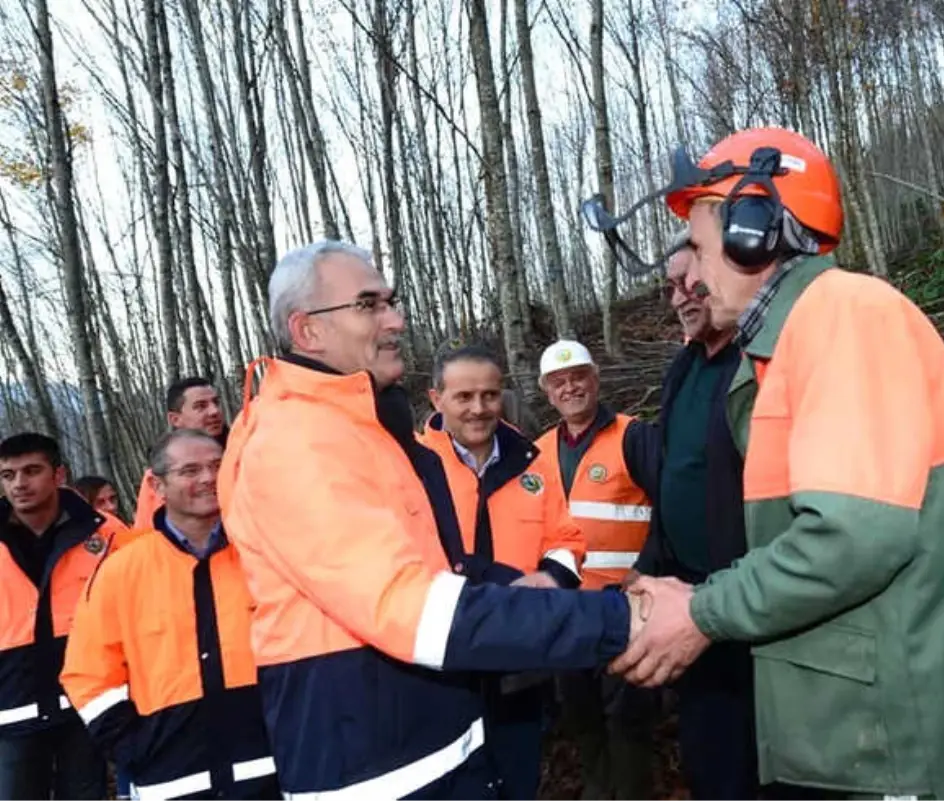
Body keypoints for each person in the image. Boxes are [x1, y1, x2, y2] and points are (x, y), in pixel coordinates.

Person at [602, 127, 944, 799]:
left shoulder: (846, 316)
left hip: (908, 742)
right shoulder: (786, 344)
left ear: (754, 230)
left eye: (699, 250)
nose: (693, 277)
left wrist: (703, 609)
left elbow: (851, 537)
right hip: (870, 733)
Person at [217, 239, 646, 800]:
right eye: (369, 305)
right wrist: (620, 620)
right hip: (377, 768)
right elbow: (410, 607)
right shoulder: (296, 442)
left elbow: (447, 566)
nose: (395, 319)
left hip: (436, 735)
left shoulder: (366, 430)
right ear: (308, 332)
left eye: (391, 301)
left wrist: (551, 589)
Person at [62, 429, 279, 800]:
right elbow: (88, 674)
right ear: (158, 486)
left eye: (217, 466)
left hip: (272, 770)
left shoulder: (266, 553)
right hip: (171, 779)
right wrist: (131, 747)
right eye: (190, 470)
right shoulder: (121, 571)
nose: (209, 478)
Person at [420, 344, 585, 801]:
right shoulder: (412, 465)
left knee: (518, 778)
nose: (479, 409)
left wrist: (550, 579)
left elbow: (567, 541)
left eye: (490, 395)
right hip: (442, 668)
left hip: (519, 662)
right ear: (437, 399)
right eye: (464, 397)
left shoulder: (533, 461)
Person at [630, 227, 758, 801]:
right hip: (689, 601)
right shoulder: (682, 369)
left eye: (690, 280)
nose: (681, 295)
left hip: (754, 600)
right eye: (670, 286)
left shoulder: (755, 364)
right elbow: (671, 477)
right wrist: (650, 568)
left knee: (775, 758)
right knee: (712, 758)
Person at [534, 340, 659, 801]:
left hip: (624, 609)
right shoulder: (539, 450)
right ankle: (596, 787)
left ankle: (630, 793)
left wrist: (648, 570)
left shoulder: (633, 436)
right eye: (559, 381)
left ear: (595, 378)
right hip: (566, 610)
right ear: (547, 392)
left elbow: (669, 508)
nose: (571, 387)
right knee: (579, 711)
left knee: (627, 715)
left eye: (578, 376)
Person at [0, 433, 119, 801]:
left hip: (87, 705)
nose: (19, 483)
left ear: (58, 475)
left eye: (32, 471)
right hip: (11, 709)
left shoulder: (108, 535)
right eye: (8, 475)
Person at [132, 377, 228, 530]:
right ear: (175, 419)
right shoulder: (160, 475)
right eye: (200, 406)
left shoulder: (243, 455)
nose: (214, 411)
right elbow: (147, 532)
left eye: (216, 403)